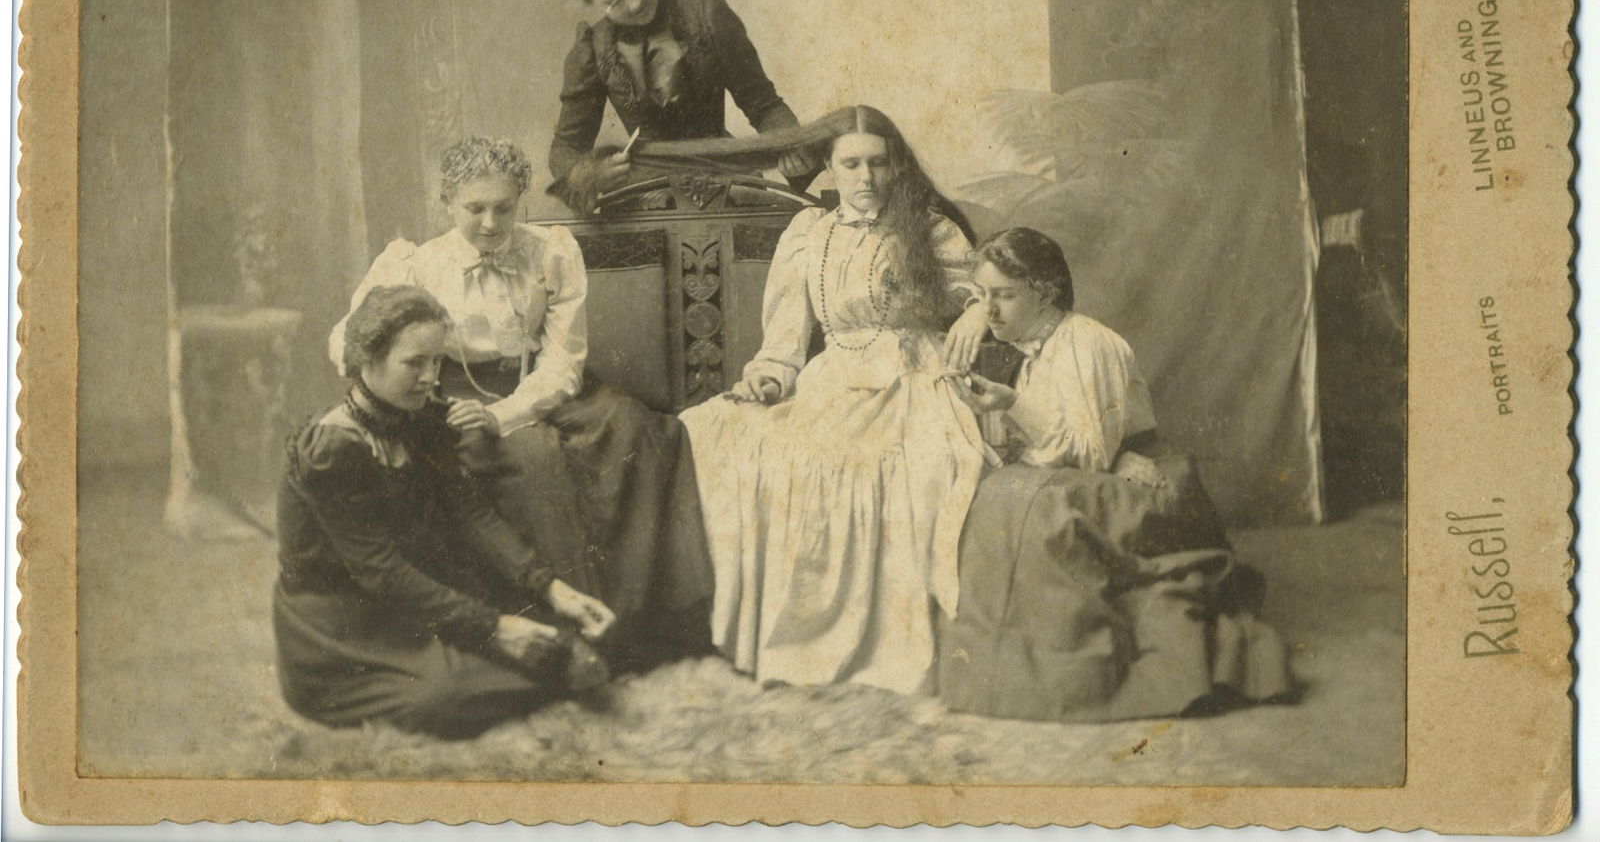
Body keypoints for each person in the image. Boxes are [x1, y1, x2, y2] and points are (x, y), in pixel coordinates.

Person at [329, 137, 714, 671]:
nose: (490, 222)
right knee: (533, 459)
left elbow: (563, 362)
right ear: (447, 202)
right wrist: (411, 376)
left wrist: (505, 412)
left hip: (539, 385)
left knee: (639, 428)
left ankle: (650, 619)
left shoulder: (550, 252)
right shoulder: (415, 266)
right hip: (451, 395)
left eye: (504, 208)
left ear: (521, 203)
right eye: (475, 208)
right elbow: (347, 341)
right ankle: (567, 634)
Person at [678, 105, 993, 695]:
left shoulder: (929, 229)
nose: (866, 177)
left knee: (872, 466)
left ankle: (872, 648)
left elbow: (981, 290)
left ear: (896, 165)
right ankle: (786, 641)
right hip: (830, 377)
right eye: (851, 163)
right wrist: (769, 378)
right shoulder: (808, 234)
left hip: (910, 375)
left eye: (878, 162)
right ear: (829, 167)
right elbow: (784, 341)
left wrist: (978, 310)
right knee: (718, 429)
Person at [938, 227, 1292, 721]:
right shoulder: (1035, 350)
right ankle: (1005, 671)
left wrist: (1014, 404)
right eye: (982, 297)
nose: (990, 312)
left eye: (1005, 296)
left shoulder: (1088, 344)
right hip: (1095, 471)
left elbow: (1091, 454)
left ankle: (1073, 674)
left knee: (1045, 515)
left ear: (1046, 292)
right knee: (993, 498)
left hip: (1143, 481)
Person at [276, 285, 615, 738]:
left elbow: (470, 513)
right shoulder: (333, 449)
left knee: (557, 637)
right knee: (450, 697)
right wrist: (493, 627)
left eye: (436, 361)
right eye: (414, 363)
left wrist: (551, 588)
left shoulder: (422, 418)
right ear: (367, 360)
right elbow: (381, 572)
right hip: (340, 623)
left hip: (406, 592)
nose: (430, 378)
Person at [548, 0, 813, 212]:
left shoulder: (706, 16)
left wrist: (791, 143)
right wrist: (584, 174)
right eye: (614, 1)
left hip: (726, 179)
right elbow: (565, 147)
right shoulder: (593, 49)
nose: (635, 3)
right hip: (645, 193)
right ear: (593, 3)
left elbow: (763, 105)